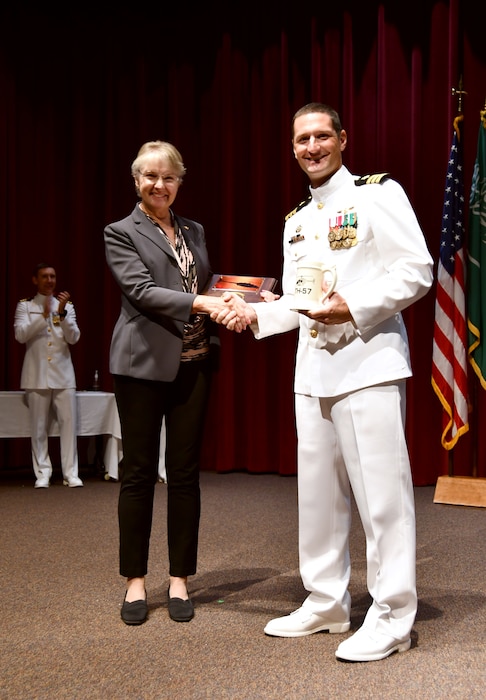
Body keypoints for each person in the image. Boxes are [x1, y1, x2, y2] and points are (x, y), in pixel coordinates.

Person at [212, 103, 434, 661]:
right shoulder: (296, 219)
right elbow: (300, 302)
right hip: (312, 372)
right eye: (301, 140)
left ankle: (391, 616)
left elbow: (416, 270)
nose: (311, 147)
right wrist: (254, 315)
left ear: (341, 138)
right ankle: (327, 602)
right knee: (318, 500)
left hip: (368, 363)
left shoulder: (377, 194)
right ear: (293, 148)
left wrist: (353, 305)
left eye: (321, 136)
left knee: (382, 499)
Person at [104, 140, 246, 626]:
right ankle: (135, 582)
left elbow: (204, 285)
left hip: (195, 362)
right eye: (149, 176)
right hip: (141, 364)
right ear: (136, 181)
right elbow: (142, 291)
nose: (158, 185)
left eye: (168, 177)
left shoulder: (193, 229)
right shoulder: (120, 231)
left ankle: (181, 578)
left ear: (179, 181)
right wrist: (209, 305)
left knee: (184, 474)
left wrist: (241, 299)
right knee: (139, 473)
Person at [14, 263, 83, 489]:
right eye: (44, 276)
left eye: (53, 276)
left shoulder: (66, 306)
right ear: (35, 280)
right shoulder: (25, 306)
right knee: (39, 427)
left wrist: (61, 314)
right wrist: (42, 316)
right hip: (36, 375)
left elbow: (74, 338)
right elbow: (21, 335)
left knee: (68, 426)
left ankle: (70, 473)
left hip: (63, 375)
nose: (50, 280)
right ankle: (42, 473)